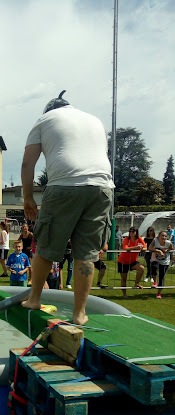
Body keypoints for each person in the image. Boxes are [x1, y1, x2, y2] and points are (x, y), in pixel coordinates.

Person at [20, 90, 114, 325]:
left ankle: (34, 299)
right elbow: (100, 156)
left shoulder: (44, 120)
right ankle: (79, 313)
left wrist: (28, 198)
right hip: (102, 187)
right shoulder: (95, 121)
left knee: (46, 245)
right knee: (86, 255)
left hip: (65, 184)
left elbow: (27, 163)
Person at [118, 227, 146, 298]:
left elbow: (145, 247)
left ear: (136, 232)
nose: (131, 232)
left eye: (133, 231)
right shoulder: (127, 239)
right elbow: (126, 248)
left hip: (133, 261)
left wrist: (142, 249)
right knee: (124, 279)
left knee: (141, 268)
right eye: (130, 231)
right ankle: (124, 295)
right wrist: (135, 247)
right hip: (123, 261)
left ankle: (136, 283)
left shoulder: (139, 239)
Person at [149, 230, 174, 299]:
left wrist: (167, 250)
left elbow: (172, 249)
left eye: (165, 236)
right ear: (159, 236)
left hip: (165, 261)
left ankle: (159, 293)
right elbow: (150, 247)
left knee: (162, 277)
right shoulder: (155, 240)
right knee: (153, 267)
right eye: (162, 235)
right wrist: (158, 251)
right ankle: (155, 282)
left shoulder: (168, 243)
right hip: (156, 259)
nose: (164, 237)